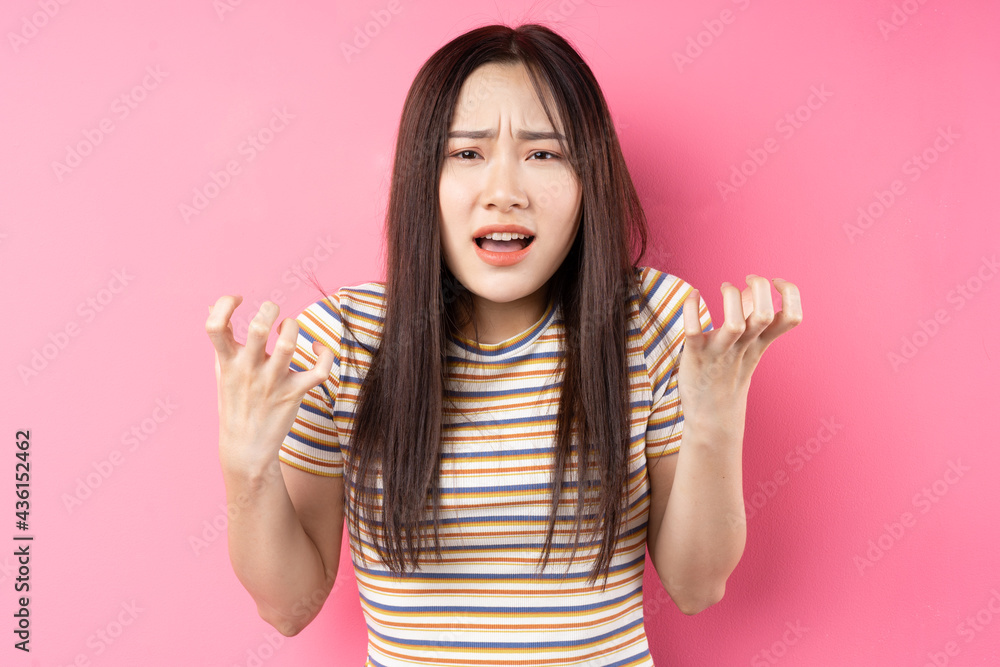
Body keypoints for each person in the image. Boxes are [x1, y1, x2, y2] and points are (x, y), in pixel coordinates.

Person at [206, 22, 802, 666]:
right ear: (421, 180)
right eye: (467, 153)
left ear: (587, 181)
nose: (505, 192)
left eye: (544, 154)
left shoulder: (653, 323)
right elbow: (287, 607)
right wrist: (247, 465)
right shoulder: (342, 343)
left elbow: (695, 586)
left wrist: (714, 427)